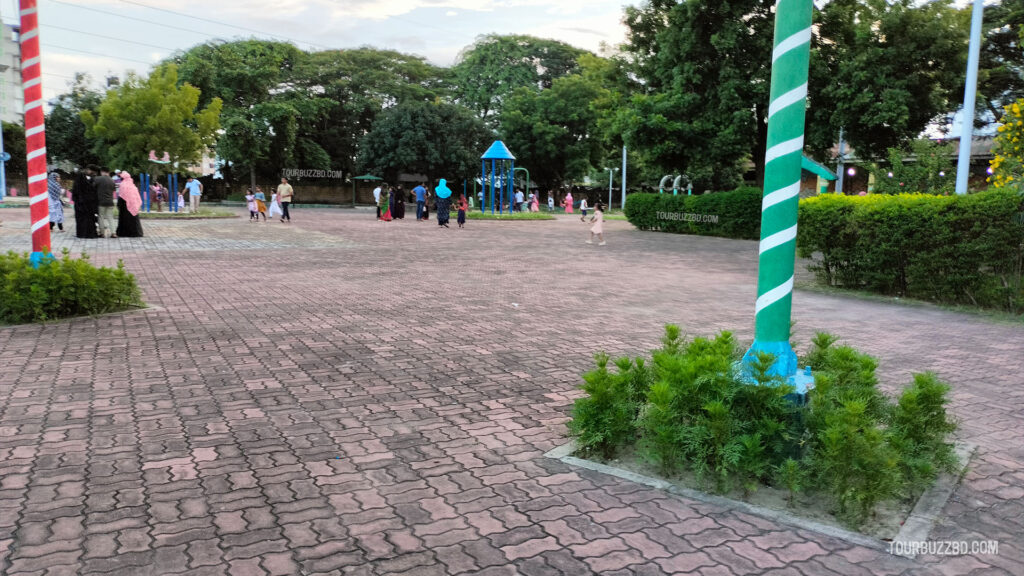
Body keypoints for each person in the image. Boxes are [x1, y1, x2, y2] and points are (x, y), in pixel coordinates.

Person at [71, 167, 99, 238]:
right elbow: (94, 194)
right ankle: (90, 233)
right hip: (89, 205)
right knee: (89, 220)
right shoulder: (89, 185)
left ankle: (81, 233)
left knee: (81, 220)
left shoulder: (77, 185)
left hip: (80, 205)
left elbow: (74, 195)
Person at [115, 171, 144, 238]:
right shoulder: (133, 185)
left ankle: (124, 233)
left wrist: (119, 205)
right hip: (133, 205)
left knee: (124, 219)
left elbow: (121, 196)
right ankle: (136, 232)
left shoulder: (123, 184)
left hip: (124, 206)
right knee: (134, 220)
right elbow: (137, 197)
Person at [94, 167, 117, 239]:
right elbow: (114, 189)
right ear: (108, 172)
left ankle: (102, 233)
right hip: (110, 201)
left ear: (102, 172)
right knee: (110, 217)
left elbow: (93, 187)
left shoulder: (98, 179)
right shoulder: (112, 180)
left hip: (101, 201)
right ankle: (113, 233)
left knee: (101, 217)